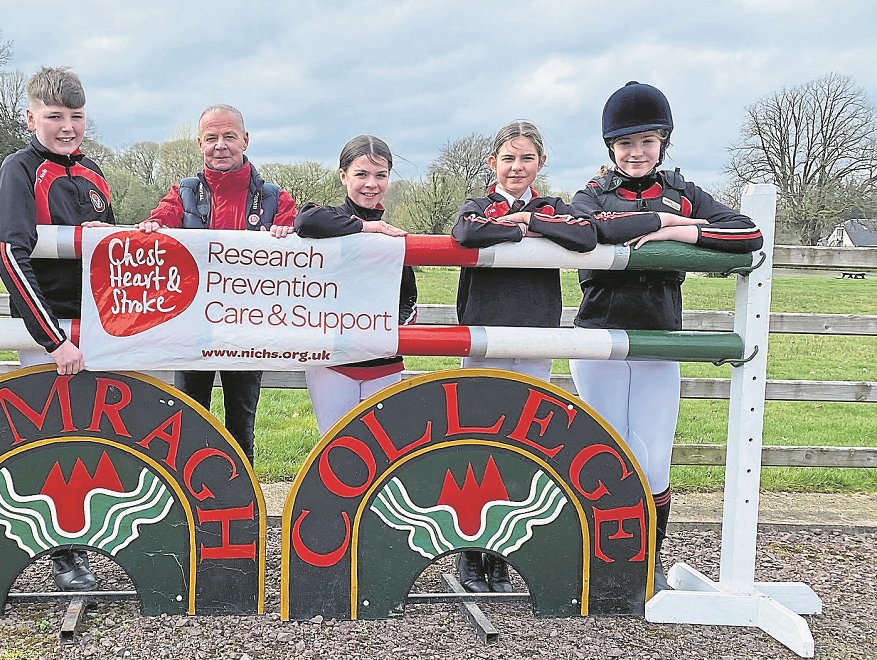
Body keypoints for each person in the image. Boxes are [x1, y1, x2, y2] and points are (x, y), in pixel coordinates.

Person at [568, 81, 763, 596]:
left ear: (664, 143)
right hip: (599, 340)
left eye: (647, 141)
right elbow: (590, 229)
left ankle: (647, 560)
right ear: (610, 147)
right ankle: (599, 554)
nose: (636, 152)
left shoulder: (684, 193)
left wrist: (679, 230)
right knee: (608, 451)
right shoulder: (591, 193)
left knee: (654, 456)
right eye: (625, 143)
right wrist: (660, 219)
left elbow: (747, 233)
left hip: (660, 341)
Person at [449, 120, 597, 594]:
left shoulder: (551, 208)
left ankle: (506, 551)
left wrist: (529, 221)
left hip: (536, 340)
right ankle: (471, 554)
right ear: (492, 163)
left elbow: (583, 237)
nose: (517, 167)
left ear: (541, 164)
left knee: (525, 442)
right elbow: (466, 232)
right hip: (485, 337)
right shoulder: (478, 205)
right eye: (508, 158)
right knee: (479, 442)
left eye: (526, 158)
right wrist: (512, 228)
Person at [0, 66, 115, 592]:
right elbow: (9, 251)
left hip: (97, 328)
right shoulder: (18, 169)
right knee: (50, 438)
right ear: (31, 118)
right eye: (54, 117)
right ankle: (62, 556)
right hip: (51, 329)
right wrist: (53, 338)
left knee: (95, 439)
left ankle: (89, 540)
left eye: (76, 117)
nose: (67, 127)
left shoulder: (94, 173)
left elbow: (114, 255)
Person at [138, 104, 296, 464]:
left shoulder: (276, 198)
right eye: (212, 138)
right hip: (193, 325)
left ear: (245, 140)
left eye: (229, 136)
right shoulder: (183, 193)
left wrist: (290, 234)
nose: (220, 145)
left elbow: (300, 243)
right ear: (199, 144)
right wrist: (149, 229)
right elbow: (158, 222)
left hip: (249, 326)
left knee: (242, 421)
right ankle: (189, 500)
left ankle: (243, 504)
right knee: (190, 416)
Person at [293, 135, 417, 436]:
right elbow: (305, 221)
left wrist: (385, 333)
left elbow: (408, 297)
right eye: (361, 174)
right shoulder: (333, 218)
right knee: (337, 449)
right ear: (343, 176)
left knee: (382, 451)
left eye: (380, 175)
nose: (371, 184)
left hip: (382, 362)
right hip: (334, 362)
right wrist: (365, 227)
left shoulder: (393, 234)